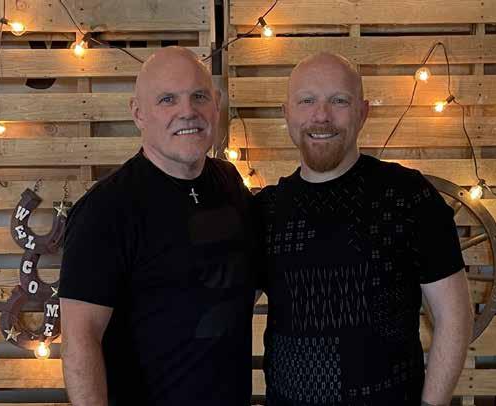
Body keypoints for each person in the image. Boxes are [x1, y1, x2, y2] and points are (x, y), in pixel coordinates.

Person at [255, 52, 473, 406]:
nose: (321, 115)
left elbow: (454, 315)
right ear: (287, 113)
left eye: (339, 101)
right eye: (306, 101)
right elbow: (223, 307)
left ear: (363, 112)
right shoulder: (265, 210)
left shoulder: (408, 196)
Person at [58, 46, 259, 406]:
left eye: (199, 96)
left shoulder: (229, 182)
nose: (188, 111)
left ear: (216, 104)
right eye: (168, 99)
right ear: (139, 113)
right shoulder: (105, 209)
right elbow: (79, 340)